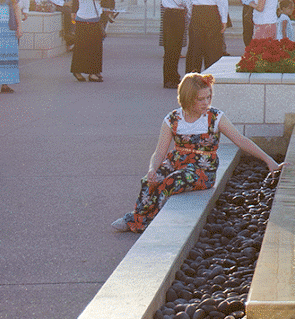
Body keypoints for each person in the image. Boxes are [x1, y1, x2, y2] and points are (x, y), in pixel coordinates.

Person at [110, 72, 282, 233]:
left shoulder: (215, 117)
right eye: (201, 99)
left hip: (202, 170)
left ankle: (147, 223)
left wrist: (269, 161)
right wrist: (152, 169)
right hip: (176, 162)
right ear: (187, 98)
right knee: (149, 182)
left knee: (171, 181)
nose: (206, 103)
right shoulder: (172, 119)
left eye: (208, 97)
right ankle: (136, 218)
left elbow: (241, 140)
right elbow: (159, 152)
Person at [70, 0, 112, 81]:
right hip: (85, 22)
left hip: (92, 20)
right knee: (83, 48)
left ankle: (93, 71)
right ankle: (86, 72)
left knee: (95, 48)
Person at [160, 0, 188, 88]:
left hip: (178, 14)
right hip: (173, 14)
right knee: (171, 48)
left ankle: (174, 75)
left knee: (176, 48)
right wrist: (189, 2)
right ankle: (169, 78)